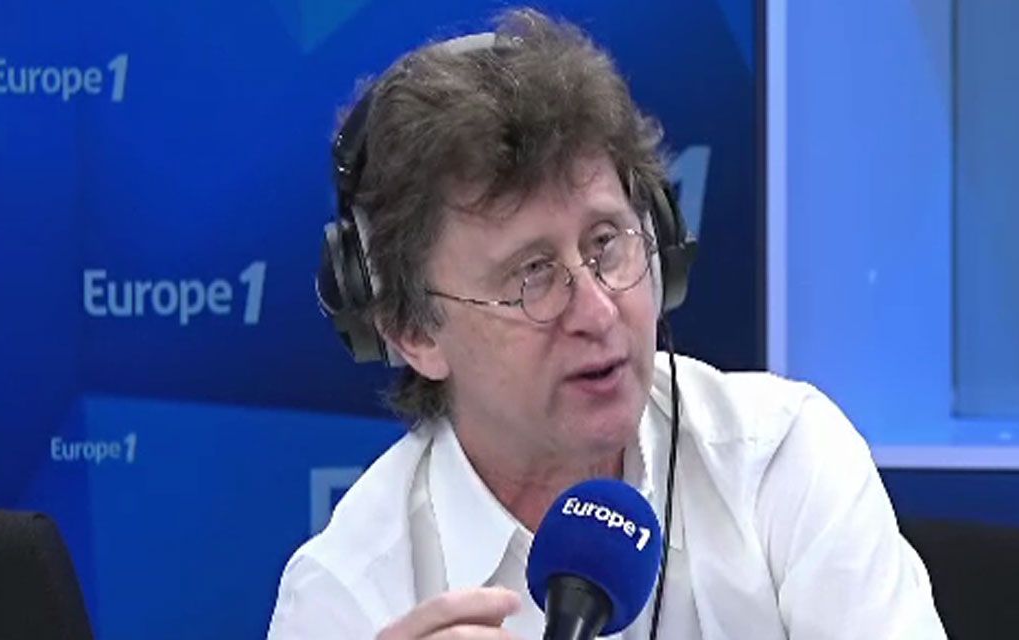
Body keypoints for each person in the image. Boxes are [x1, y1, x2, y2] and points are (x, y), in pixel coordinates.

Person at [269, 8, 946, 639]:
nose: (597, 312)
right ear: (413, 330)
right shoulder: (349, 597)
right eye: (532, 275)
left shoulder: (781, 462)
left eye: (606, 244)